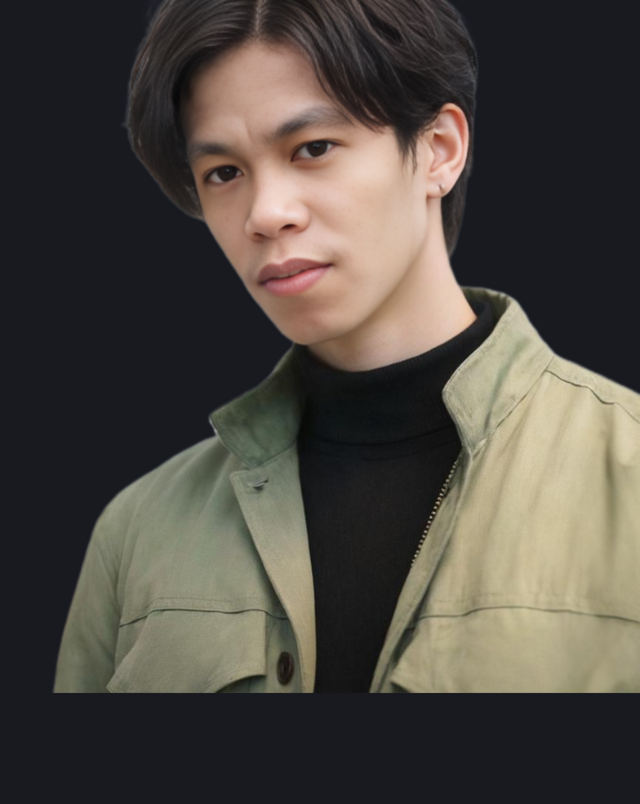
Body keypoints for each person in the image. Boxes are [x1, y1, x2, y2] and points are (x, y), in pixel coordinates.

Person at [53, 0, 639, 693]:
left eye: (313, 148)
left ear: (439, 149)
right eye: (224, 172)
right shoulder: (139, 530)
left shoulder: (626, 477)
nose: (266, 214)